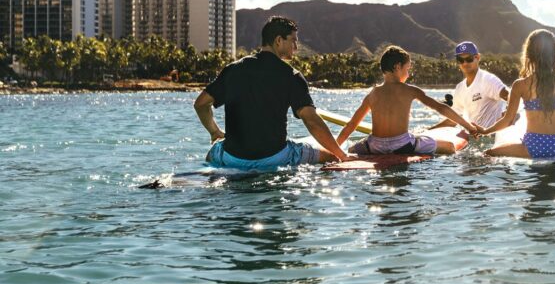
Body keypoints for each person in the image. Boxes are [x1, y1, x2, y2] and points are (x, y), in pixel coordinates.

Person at [193, 16, 348, 170]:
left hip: (233, 158)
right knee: (330, 158)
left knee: (213, 152)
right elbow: (311, 121)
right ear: (279, 40)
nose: (296, 47)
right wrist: (342, 155)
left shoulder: (233, 69)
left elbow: (201, 104)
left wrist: (215, 132)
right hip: (275, 158)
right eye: (293, 40)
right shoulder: (291, 75)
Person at [335, 46, 481, 155]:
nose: (408, 74)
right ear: (397, 67)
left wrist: (335, 149)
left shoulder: (373, 94)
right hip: (402, 145)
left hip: (375, 146)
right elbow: (441, 108)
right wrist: (468, 126)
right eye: (408, 69)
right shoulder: (410, 90)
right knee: (449, 146)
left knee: (352, 148)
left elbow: (352, 124)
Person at [481, 29, 555, 159]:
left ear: (529, 55)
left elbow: (508, 121)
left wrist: (485, 131)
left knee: (488, 154)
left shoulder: (520, 85)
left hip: (531, 147)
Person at [430, 41, 510, 131]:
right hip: (473, 139)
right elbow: (454, 119)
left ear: (478, 57)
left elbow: (512, 96)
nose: (465, 63)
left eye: (469, 59)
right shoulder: (460, 88)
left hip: (491, 138)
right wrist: (430, 130)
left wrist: (507, 117)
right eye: (460, 60)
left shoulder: (488, 80)